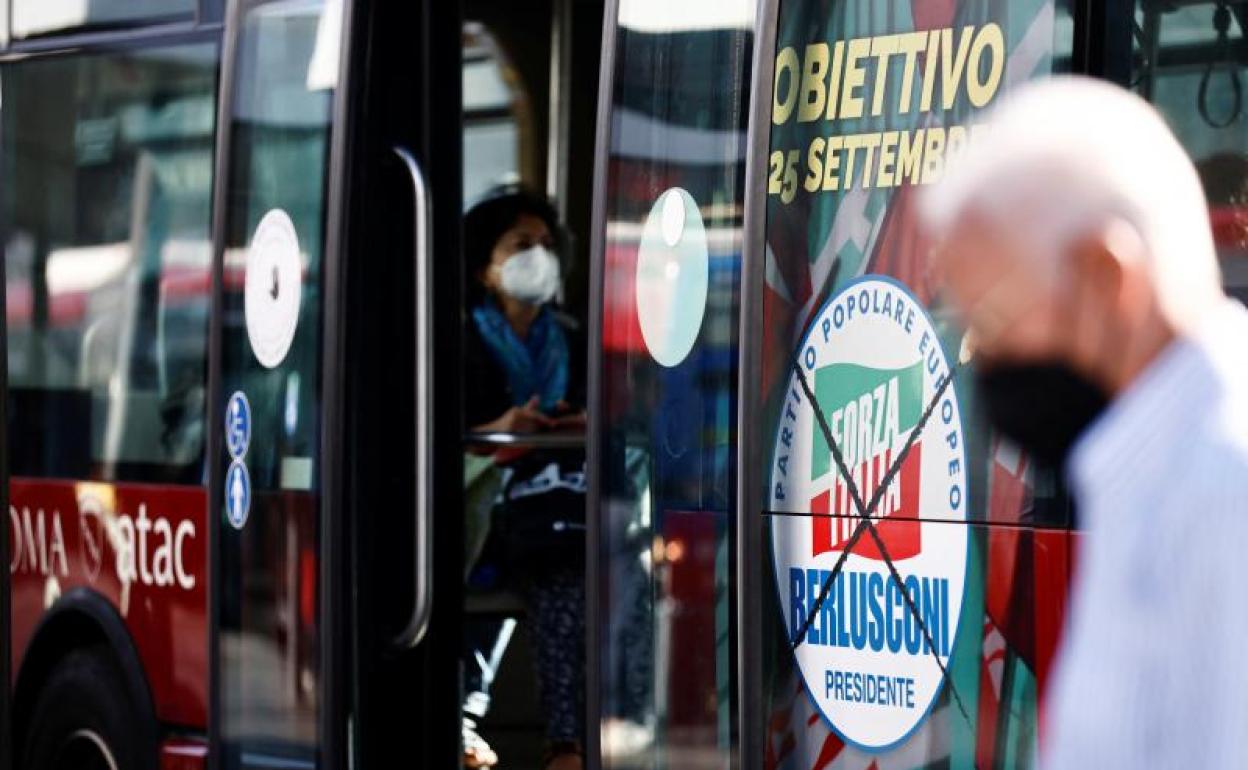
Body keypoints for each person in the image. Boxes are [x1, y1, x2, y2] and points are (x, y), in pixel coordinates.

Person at [920, 76, 1248, 767]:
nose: (982, 359)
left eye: (993, 320)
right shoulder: (1148, 469)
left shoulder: (1224, 485)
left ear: (1105, 275)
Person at [461, 187, 587, 770]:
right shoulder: (459, 340)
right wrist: (500, 427)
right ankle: (467, 714)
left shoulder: (573, 338)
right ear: (486, 268)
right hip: (481, 498)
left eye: (544, 244)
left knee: (567, 560)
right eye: (519, 245)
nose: (537, 255)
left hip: (556, 502)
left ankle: (569, 737)